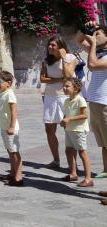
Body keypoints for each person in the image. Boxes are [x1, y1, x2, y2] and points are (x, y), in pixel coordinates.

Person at [39, 36, 76, 169]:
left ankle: (73, 164)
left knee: (69, 129)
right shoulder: (46, 61)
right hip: (50, 97)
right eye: (49, 45)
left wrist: (64, 58)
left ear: (60, 46)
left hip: (65, 97)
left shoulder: (70, 58)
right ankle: (56, 160)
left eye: (53, 45)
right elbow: (42, 78)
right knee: (49, 129)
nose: (50, 47)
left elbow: (69, 75)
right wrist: (57, 79)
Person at [77, 24, 107, 179]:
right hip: (95, 101)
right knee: (103, 141)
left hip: (105, 103)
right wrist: (85, 28)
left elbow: (92, 65)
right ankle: (106, 170)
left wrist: (93, 43)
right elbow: (78, 40)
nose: (94, 36)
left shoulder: (100, 55)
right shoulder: (99, 53)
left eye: (98, 34)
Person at [60, 77, 93, 187]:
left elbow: (85, 115)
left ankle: (88, 178)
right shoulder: (67, 100)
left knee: (82, 152)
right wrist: (64, 120)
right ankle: (73, 173)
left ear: (76, 88)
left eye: (67, 86)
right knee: (69, 150)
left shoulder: (80, 100)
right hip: (69, 130)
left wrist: (69, 119)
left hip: (79, 130)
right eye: (64, 86)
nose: (64, 88)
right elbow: (67, 114)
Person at [0, 71, 22, 186]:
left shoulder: (9, 94)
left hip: (10, 128)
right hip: (4, 127)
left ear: (8, 83)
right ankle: (13, 173)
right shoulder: (3, 92)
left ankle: (18, 177)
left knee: (14, 152)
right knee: (10, 151)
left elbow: (14, 111)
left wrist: (12, 126)